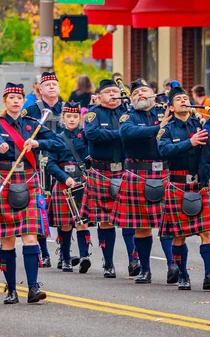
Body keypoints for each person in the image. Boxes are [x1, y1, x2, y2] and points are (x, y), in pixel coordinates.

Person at [0, 82, 65, 304]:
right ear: (5, 100)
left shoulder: (32, 125)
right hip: (5, 180)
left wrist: (37, 142)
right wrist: (0, 146)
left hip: (28, 180)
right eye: (11, 97)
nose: (16, 101)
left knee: (30, 237)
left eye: (19, 97)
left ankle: (32, 288)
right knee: (8, 240)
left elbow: (59, 143)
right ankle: (11, 289)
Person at [157, 83, 210, 291]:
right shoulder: (166, 128)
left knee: (206, 232)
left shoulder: (202, 123)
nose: (184, 100)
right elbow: (163, 151)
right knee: (179, 235)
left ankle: (209, 274)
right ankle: (183, 275)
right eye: (178, 99)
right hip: (177, 184)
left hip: (199, 184)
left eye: (185, 98)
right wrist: (189, 143)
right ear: (171, 107)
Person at [113, 78, 177, 284]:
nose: (140, 95)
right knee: (142, 226)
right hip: (138, 174)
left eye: (144, 91)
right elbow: (128, 133)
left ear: (153, 93)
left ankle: (173, 266)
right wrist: (160, 128)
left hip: (164, 173)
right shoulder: (128, 116)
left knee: (167, 224)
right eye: (135, 93)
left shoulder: (165, 111)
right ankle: (145, 269)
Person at [81, 79, 139, 279]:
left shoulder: (128, 113)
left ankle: (134, 260)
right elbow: (93, 134)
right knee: (105, 220)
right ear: (99, 96)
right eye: (109, 92)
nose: (114, 95)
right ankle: (109, 263)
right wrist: (121, 133)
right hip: (101, 171)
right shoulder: (93, 114)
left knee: (129, 218)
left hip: (124, 170)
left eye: (116, 92)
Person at [22, 72, 64, 266]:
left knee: (67, 212)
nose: (52, 87)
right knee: (41, 208)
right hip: (39, 162)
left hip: (64, 161)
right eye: (47, 85)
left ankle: (65, 253)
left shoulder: (67, 108)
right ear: (40, 88)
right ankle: (44, 252)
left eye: (55, 84)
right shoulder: (31, 109)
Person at [46, 102, 90, 273]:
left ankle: (85, 256)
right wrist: (66, 178)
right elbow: (50, 164)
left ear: (80, 118)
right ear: (63, 119)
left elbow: (90, 158)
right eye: (69, 116)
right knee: (65, 224)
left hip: (82, 182)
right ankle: (65, 258)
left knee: (82, 222)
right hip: (64, 184)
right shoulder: (56, 138)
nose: (72, 119)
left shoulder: (85, 136)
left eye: (75, 116)